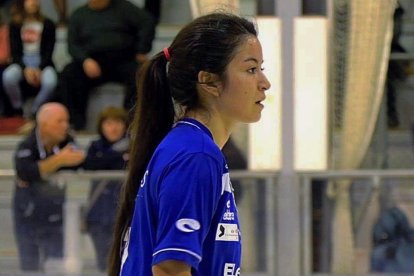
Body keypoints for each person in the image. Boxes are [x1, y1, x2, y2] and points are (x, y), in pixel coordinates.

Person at [108, 12, 271, 276]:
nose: (264, 83)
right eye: (251, 69)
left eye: (261, 69)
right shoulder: (195, 155)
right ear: (209, 81)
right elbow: (170, 269)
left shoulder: (192, 147)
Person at [60, 0, 156, 130]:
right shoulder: (78, 15)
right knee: (69, 74)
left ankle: (131, 124)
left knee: (141, 72)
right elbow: (72, 45)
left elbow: (147, 22)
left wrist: (142, 49)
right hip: (92, 62)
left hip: (123, 59)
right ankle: (76, 124)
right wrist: (85, 60)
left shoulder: (125, 8)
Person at [12, 102, 85, 271]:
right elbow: (25, 171)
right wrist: (59, 160)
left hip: (55, 215)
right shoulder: (27, 144)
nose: (65, 126)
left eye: (66, 121)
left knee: (55, 264)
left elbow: (79, 160)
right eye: (60, 121)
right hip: (27, 215)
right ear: (44, 124)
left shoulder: (68, 140)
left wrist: (43, 168)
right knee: (30, 266)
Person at [82, 106, 129, 272]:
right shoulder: (95, 146)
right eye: (108, 123)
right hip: (98, 212)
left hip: (125, 213)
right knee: (103, 262)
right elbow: (90, 164)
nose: (113, 128)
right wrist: (118, 156)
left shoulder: (134, 145)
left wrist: (108, 158)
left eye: (117, 123)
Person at [2, 0, 57, 121]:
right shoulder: (15, 25)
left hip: (43, 62)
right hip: (22, 61)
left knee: (51, 82)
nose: (34, 2)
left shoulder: (48, 24)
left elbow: (49, 52)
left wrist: (40, 69)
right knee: (8, 77)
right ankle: (18, 108)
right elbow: (15, 52)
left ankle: (34, 110)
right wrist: (25, 69)